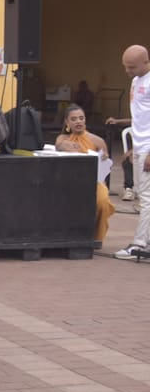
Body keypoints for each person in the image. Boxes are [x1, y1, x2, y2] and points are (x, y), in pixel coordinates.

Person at [106, 44, 150, 260]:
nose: (128, 71)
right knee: (145, 196)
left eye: (132, 67)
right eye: (125, 67)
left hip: (148, 148)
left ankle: (139, 244)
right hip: (140, 145)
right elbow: (141, 118)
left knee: (147, 199)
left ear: (146, 62)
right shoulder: (135, 81)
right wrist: (134, 145)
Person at [55, 103, 116, 242]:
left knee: (102, 202)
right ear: (67, 122)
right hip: (70, 181)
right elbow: (59, 146)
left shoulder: (97, 140)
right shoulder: (62, 138)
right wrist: (68, 146)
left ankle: (96, 239)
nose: (78, 122)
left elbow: (105, 164)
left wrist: (104, 156)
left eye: (81, 118)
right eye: (74, 119)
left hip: (95, 181)